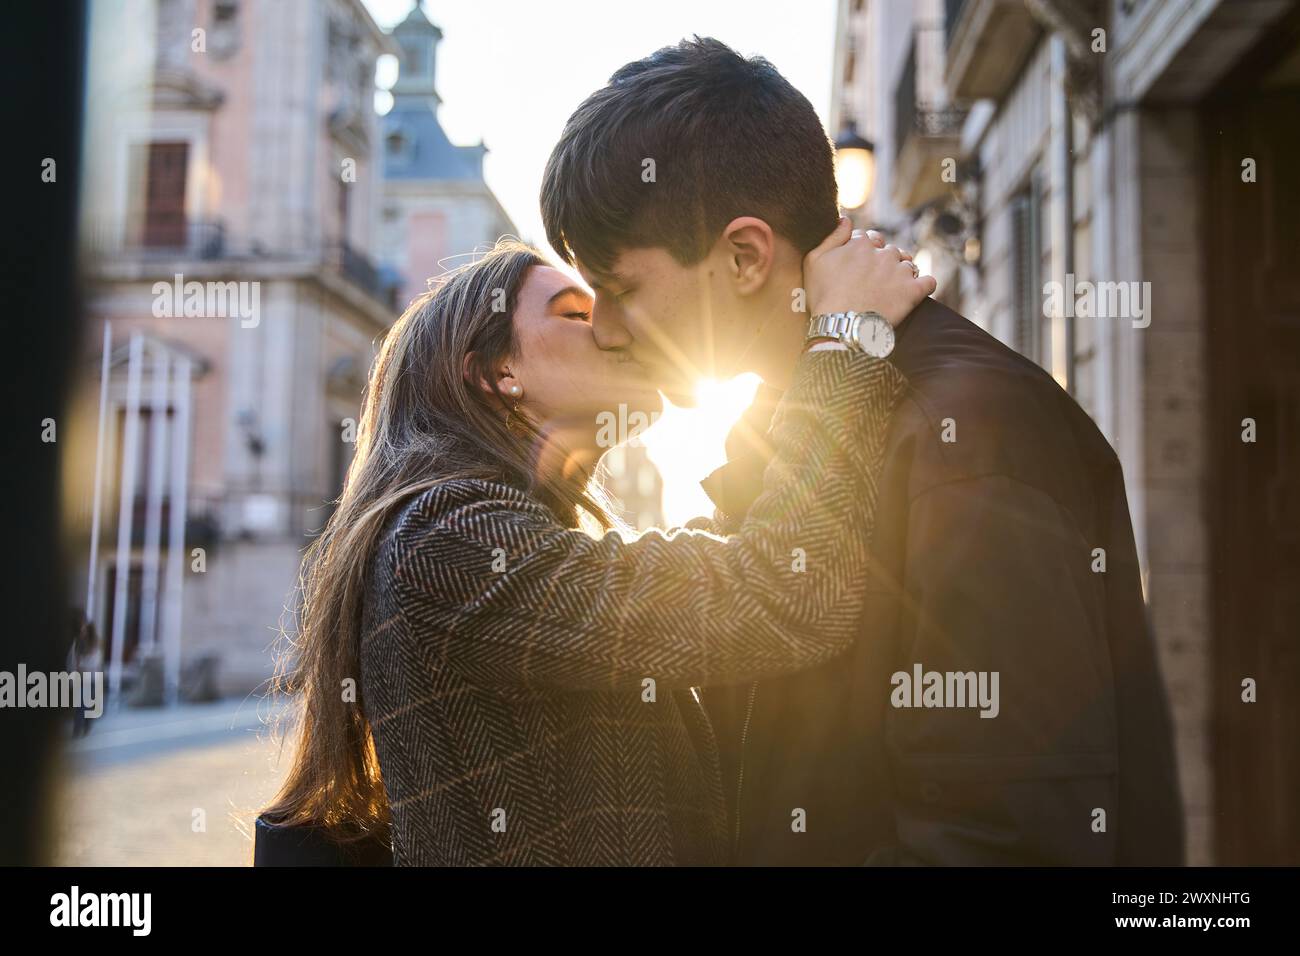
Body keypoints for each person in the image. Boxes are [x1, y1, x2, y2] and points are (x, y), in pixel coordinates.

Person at [540, 36, 1184, 865]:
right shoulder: (798, 428)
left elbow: (1002, 841)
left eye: (620, 288)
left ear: (744, 256)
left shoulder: (972, 431)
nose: (603, 328)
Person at [261, 232, 933, 865]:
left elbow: (726, 565)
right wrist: (846, 338)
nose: (616, 328)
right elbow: (779, 593)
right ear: (496, 372)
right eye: (575, 312)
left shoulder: (496, 533)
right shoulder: (446, 540)